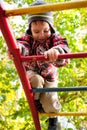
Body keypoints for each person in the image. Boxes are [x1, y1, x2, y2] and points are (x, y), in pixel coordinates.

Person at [8, 0, 70, 130]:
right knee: (34, 79)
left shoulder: (54, 37)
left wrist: (57, 51)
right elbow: (22, 45)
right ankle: (35, 101)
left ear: (51, 28)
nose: (41, 35)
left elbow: (63, 46)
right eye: (36, 32)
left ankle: (53, 119)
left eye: (45, 30)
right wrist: (17, 49)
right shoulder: (28, 38)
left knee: (50, 101)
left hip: (49, 76)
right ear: (30, 30)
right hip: (33, 72)